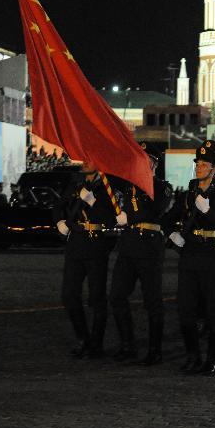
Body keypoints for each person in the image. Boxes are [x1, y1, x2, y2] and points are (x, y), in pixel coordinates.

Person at [169, 140, 215, 375]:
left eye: (204, 164)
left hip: (211, 253)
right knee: (186, 310)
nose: (199, 167)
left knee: (213, 310)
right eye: (197, 163)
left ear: (214, 169)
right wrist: (172, 233)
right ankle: (193, 356)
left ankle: (212, 358)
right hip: (190, 253)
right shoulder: (190, 192)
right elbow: (171, 216)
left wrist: (208, 210)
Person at [108, 144, 174, 364]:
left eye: (146, 160)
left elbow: (155, 210)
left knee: (152, 300)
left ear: (155, 164)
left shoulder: (162, 187)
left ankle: (155, 350)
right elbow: (110, 173)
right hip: (128, 245)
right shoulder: (130, 184)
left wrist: (130, 218)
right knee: (117, 296)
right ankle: (127, 344)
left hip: (149, 247)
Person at [52, 160, 116, 358]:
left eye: (90, 159)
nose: (85, 162)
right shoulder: (75, 184)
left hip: (96, 243)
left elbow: (110, 218)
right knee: (69, 295)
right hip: (76, 243)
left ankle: (96, 344)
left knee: (97, 297)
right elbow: (58, 206)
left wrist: (92, 202)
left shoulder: (107, 187)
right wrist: (59, 221)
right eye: (84, 159)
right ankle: (83, 338)